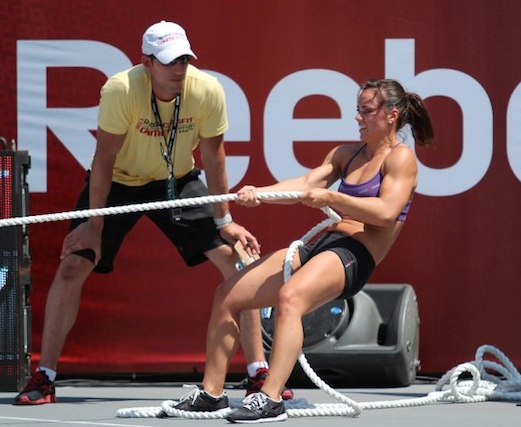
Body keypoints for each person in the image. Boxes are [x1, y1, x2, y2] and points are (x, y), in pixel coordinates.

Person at [14, 20, 286, 405]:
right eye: (170, 61)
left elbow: (213, 156)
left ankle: (259, 373)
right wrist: (95, 226)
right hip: (119, 182)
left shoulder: (206, 90)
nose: (179, 69)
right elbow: (104, 161)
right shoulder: (120, 90)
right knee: (73, 265)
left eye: (185, 60)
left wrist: (224, 219)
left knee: (237, 262)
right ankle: (44, 377)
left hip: (176, 181)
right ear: (147, 63)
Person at [172, 78, 434, 423]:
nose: (358, 118)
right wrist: (259, 192)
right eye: (358, 111)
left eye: (366, 111)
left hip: (355, 254)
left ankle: (270, 398)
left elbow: (385, 214)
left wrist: (333, 198)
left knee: (290, 298)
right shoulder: (346, 154)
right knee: (228, 295)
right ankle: (212, 393)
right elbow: (307, 184)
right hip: (323, 243)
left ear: (391, 115)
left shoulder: (401, 160)